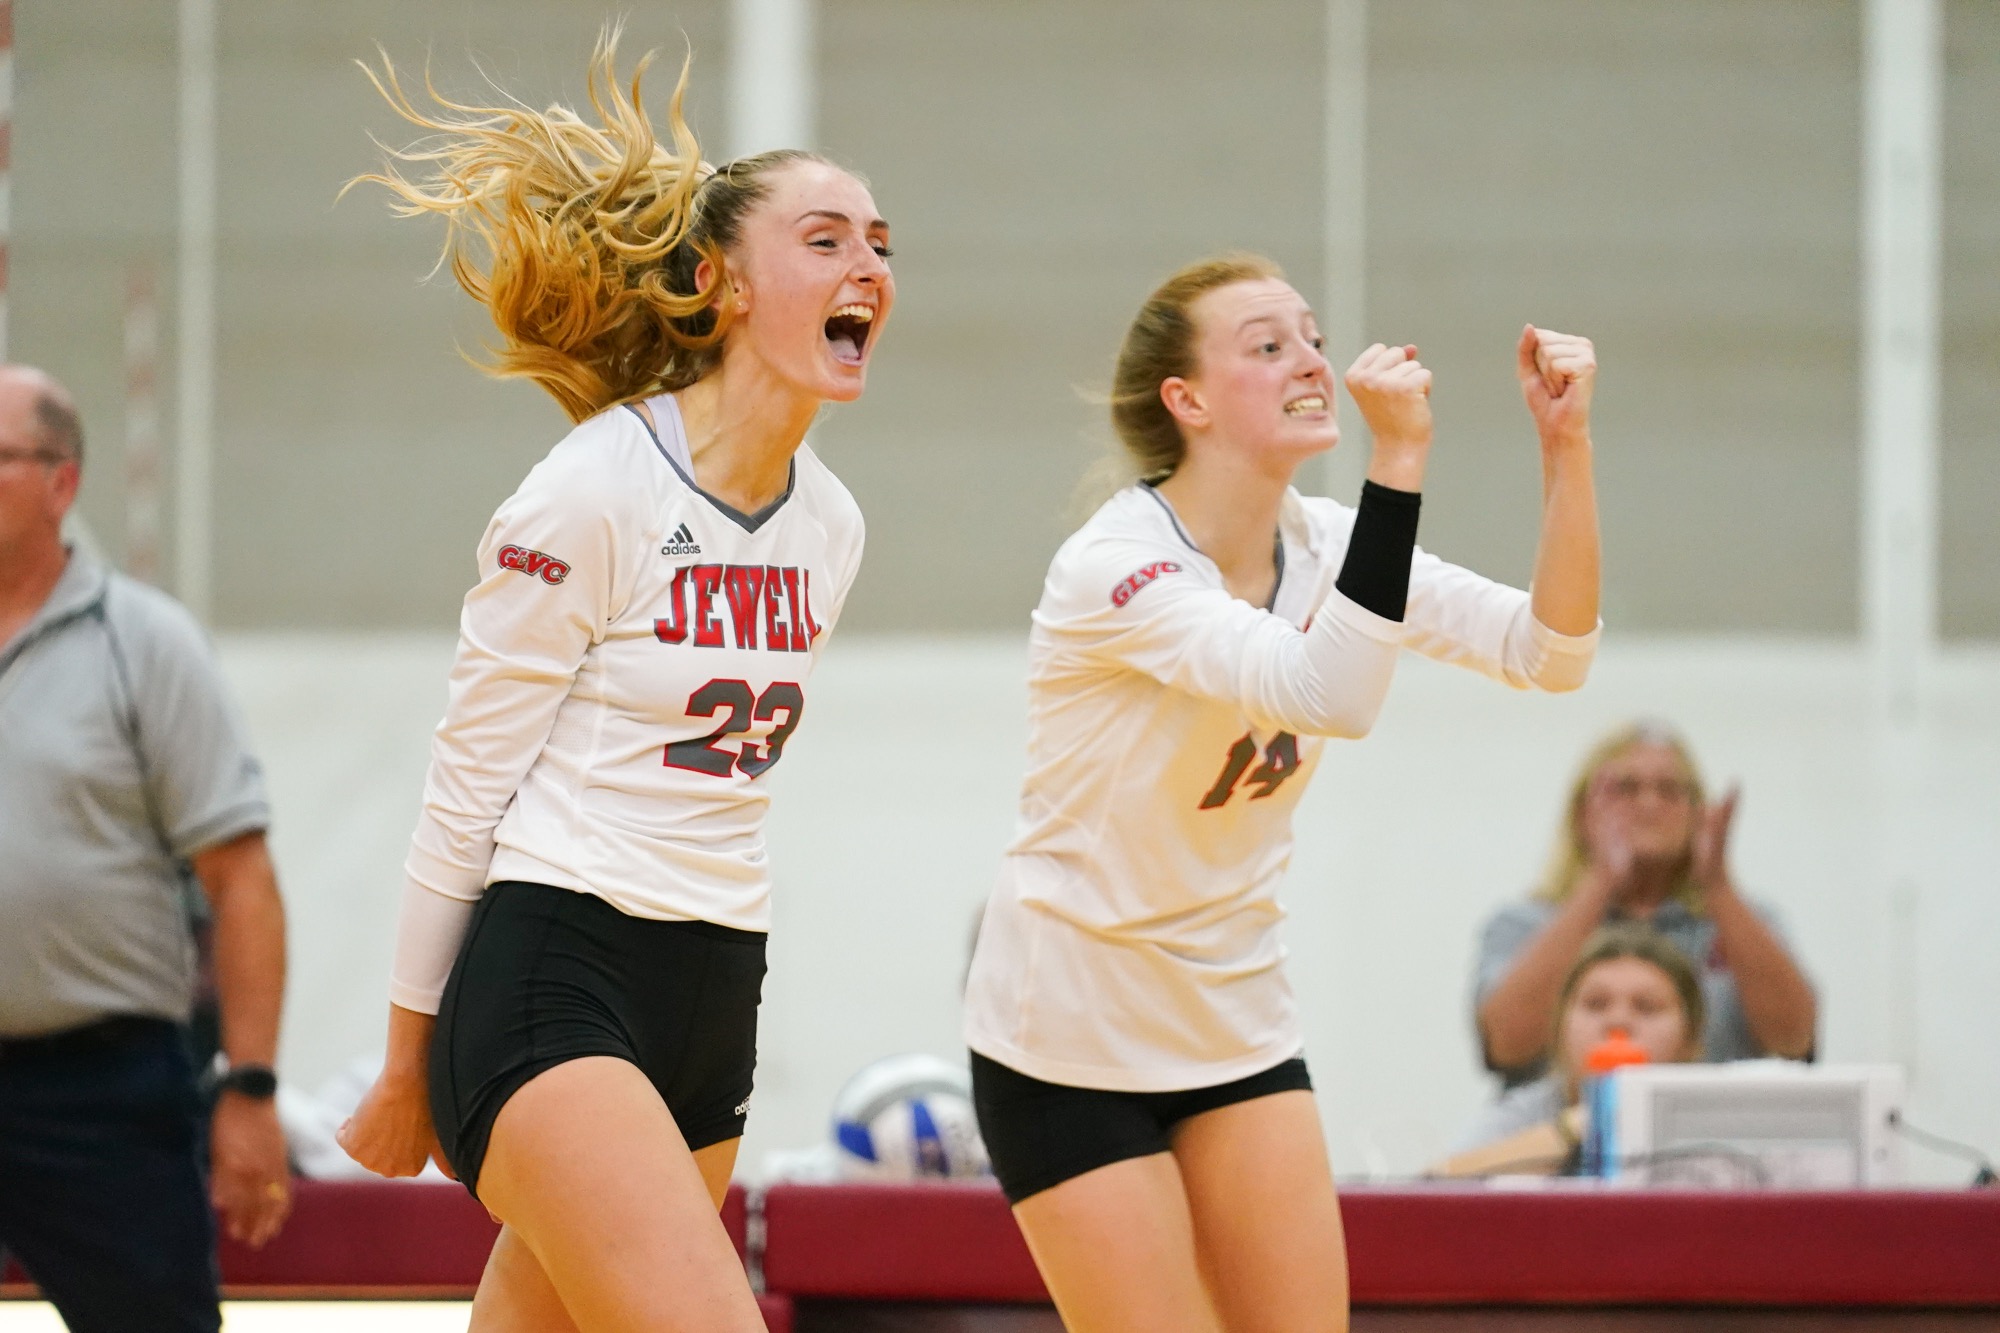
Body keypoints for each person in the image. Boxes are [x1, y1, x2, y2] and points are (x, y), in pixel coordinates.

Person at [334, 33, 891, 1330]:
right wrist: (405, 1060)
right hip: (556, 974)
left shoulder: (832, 524)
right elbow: (467, 784)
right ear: (717, 283)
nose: (867, 266)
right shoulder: (594, 488)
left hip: (718, 988)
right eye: (824, 240)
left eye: (879, 243)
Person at [961, 253, 1602, 1333]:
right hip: (1069, 1034)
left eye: (1311, 338)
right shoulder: (1116, 565)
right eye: (1267, 345)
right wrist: (1399, 455)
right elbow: (1328, 694)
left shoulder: (1327, 543)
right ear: (1188, 400)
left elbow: (1553, 651)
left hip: (1234, 1014)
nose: (1310, 362)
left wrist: (1565, 445)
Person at [0, 365, 291, 1332]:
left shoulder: (144, 643)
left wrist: (250, 1087)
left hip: (103, 1090)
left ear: (63, 482)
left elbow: (240, 879)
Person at [1474, 722, 1815, 1088]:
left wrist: (1716, 885)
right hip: (1561, 1121)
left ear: (1698, 813)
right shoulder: (1526, 923)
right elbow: (1506, 1045)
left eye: (1669, 790)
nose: (1649, 804)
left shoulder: (1742, 922)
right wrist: (1601, 879)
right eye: (1626, 788)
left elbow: (1793, 1041)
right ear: (1583, 813)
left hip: (1711, 1121)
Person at [1434, 926, 1705, 1176]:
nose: (1618, 1022)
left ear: (1689, 1038)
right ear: (1560, 1028)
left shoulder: (1711, 1116)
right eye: (1596, 1004)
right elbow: (1430, 1186)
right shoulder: (1531, 1111)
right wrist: (1571, 1130)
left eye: (1646, 1007)